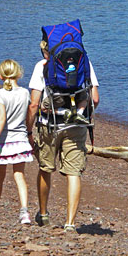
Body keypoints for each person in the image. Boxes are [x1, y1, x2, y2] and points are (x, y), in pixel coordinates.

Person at [26, 40, 100, 231]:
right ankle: (70, 223)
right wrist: (82, 112)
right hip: (76, 125)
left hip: (49, 124)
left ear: (45, 51)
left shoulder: (41, 66)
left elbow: (34, 104)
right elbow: (95, 99)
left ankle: (43, 215)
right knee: (73, 173)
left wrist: (28, 130)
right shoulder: (85, 63)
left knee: (45, 168)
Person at [0, 59, 34, 224]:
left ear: (0, 75)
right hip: (20, 140)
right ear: (19, 74)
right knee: (19, 175)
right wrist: (29, 133)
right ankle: (24, 212)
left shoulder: (0, 94)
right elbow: (28, 116)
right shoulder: (25, 93)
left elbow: (1, 119)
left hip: (6, 140)